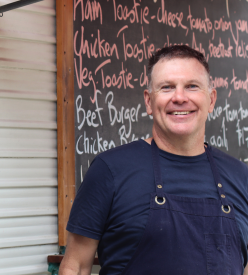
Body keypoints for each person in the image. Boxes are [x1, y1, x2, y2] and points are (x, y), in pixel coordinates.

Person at [60, 45, 248, 275]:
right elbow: (75, 267)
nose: (179, 97)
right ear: (149, 101)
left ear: (211, 100)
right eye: (167, 87)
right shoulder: (109, 170)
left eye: (192, 86)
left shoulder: (242, 177)